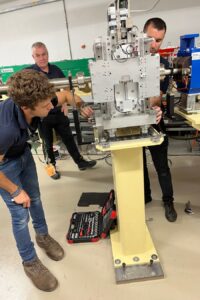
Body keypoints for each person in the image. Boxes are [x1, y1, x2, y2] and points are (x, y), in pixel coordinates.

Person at [0, 69, 94, 291]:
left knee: (35, 198)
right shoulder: (5, 130)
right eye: (44, 106)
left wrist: (81, 106)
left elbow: (64, 96)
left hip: (22, 153)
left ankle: (43, 237)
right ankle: (30, 262)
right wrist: (14, 190)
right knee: (20, 215)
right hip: (4, 165)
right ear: (25, 107)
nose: (51, 108)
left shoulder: (41, 98)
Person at [27, 41, 96, 179]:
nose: (42, 58)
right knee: (47, 144)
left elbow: (66, 88)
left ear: (48, 54)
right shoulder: (30, 73)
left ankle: (80, 162)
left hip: (58, 112)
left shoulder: (56, 70)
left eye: (44, 54)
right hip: (42, 117)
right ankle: (51, 168)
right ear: (33, 57)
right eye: (38, 55)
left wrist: (65, 102)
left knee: (69, 138)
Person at [143, 17, 177, 222]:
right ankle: (144, 196)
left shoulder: (163, 65)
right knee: (138, 164)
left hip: (154, 121)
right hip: (132, 124)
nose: (154, 45)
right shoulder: (126, 62)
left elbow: (158, 95)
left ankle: (168, 201)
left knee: (162, 165)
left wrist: (152, 105)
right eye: (150, 39)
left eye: (159, 40)